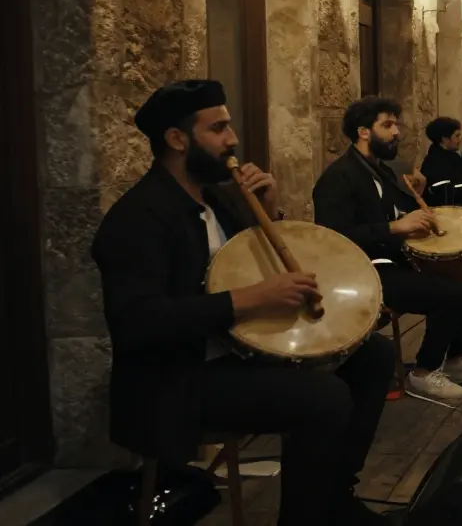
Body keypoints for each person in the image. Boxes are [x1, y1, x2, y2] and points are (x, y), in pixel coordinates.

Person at [91, 80, 395, 525]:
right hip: (178, 379)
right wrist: (244, 301)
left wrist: (267, 210)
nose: (232, 140)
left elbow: (254, 266)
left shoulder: (217, 200)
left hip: (236, 352)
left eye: (229, 126)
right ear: (178, 140)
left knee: (373, 355)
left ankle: (335, 496)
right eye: (218, 129)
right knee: (323, 398)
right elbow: (138, 323)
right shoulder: (137, 218)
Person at [312, 96, 462, 403]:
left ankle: (456, 359)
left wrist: (417, 195)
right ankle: (424, 373)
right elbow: (334, 237)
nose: (396, 133)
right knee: (450, 294)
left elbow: (400, 212)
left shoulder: (382, 171)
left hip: (395, 258)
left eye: (395, 124)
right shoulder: (338, 178)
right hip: (364, 271)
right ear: (364, 132)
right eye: (387, 125)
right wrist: (394, 228)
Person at [420, 116, 462, 207]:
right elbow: (446, 193)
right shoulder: (434, 162)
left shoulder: (453, 156)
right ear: (445, 139)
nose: (461, 139)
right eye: (457, 136)